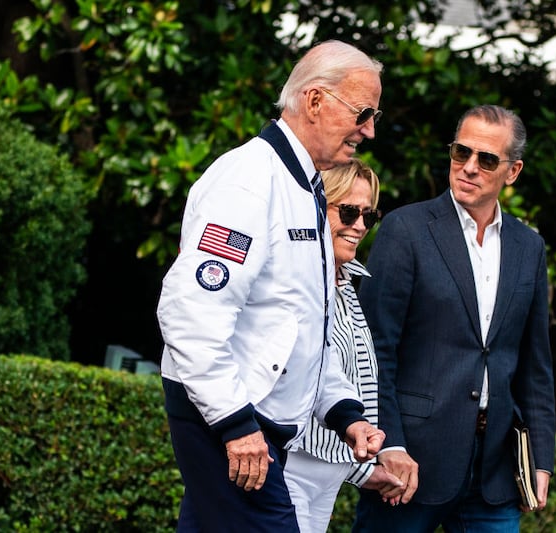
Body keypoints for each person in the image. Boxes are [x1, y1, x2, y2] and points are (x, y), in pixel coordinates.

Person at [156, 40, 386, 532]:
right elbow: (189, 313)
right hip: (231, 420)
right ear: (316, 101)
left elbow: (301, 323)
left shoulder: (306, 185)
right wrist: (235, 427)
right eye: (363, 112)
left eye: (374, 115)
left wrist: (346, 414)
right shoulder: (248, 181)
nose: (368, 129)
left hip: (255, 422)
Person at [352, 104, 556, 532]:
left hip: (495, 471)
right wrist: (389, 444)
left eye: (486, 159)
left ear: (513, 171)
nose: (468, 168)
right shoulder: (406, 230)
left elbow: (535, 366)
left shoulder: (528, 247)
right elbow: (372, 351)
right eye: (461, 153)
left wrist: (541, 457)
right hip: (410, 462)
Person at [284, 158, 404, 533]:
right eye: (349, 212)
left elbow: (354, 379)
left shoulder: (347, 280)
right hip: (293, 462)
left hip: (331, 471)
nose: (360, 226)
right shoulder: (297, 276)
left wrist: (362, 467)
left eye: (369, 215)